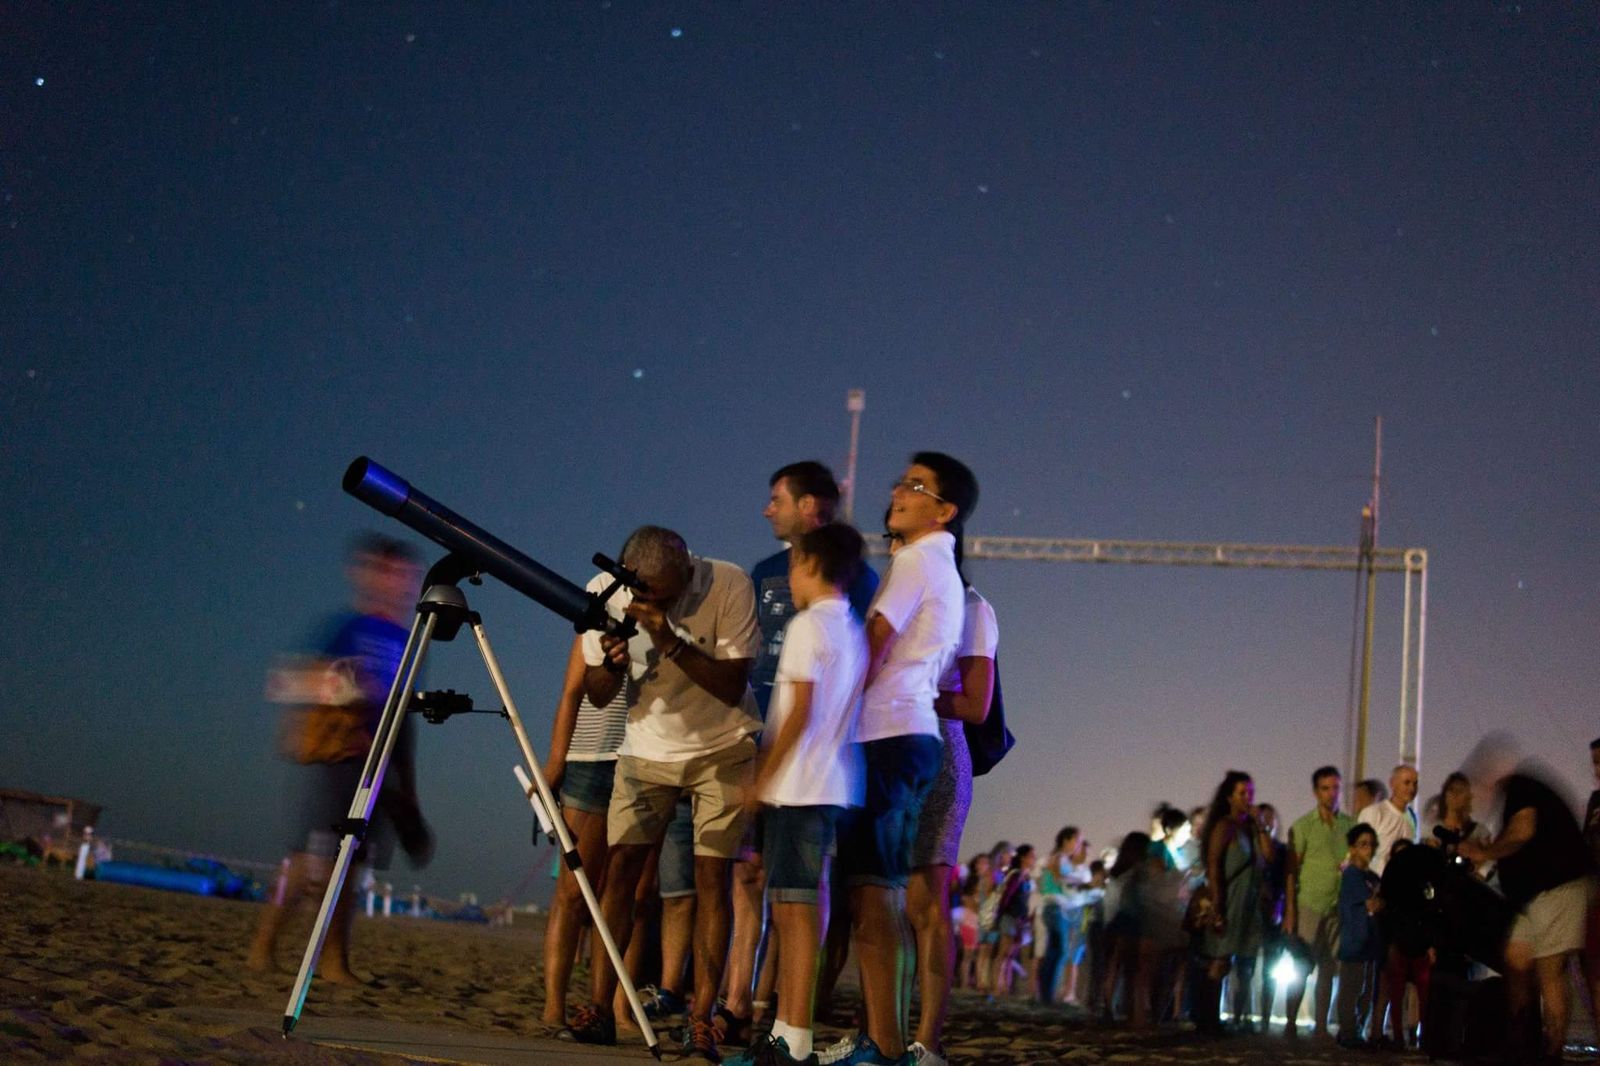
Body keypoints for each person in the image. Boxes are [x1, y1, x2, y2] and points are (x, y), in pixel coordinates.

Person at [568, 526, 761, 1063]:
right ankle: (601, 1008)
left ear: (688, 569)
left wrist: (669, 636)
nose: (659, 601)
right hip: (646, 747)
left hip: (723, 744)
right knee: (621, 873)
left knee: (710, 879)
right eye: (650, 593)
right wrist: (608, 664)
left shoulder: (728, 583)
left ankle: (702, 1020)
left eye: (671, 591)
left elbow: (732, 682)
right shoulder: (605, 591)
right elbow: (600, 696)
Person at [824, 453, 974, 1066]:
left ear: (944, 511)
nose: (899, 493)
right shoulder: (944, 571)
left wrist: (823, 727)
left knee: (870, 895)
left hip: (888, 733)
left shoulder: (916, 560)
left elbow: (871, 648)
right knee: (880, 891)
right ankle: (883, 1039)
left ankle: (882, 1044)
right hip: (913, 736)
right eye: (901, 482)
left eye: (916, 487)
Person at [736, 463, 879, 1041]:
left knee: (794, 914)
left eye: (793, 566)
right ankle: (790, 1027)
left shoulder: (806, 627)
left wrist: (760, 780)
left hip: (799, 786)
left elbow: (795, 712)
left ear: (809, 565)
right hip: (838, 784)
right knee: (805, 912)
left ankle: (790, 1033)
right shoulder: (850, 627)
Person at [249, 534, 430, 982]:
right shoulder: (346, 628)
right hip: (339, 761)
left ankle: (334, 961)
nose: (402, 586)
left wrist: (407, 786)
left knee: (352, 864)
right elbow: (288, 682)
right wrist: (346, 688)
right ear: (369, 575)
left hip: (379, 762)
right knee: (310, 862)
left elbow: (403, 716)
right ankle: (265, 948)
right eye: (391, 574)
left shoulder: (408, 641)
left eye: (406, 577)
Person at [907, 534, 995, 1065]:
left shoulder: (971, 607)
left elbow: (976, 704)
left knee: (927, 906)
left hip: (938, 753)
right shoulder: (892, 600)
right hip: (885, 751)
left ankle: (927, 1041)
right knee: (879, 904)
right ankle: (885, 1036)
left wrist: (908, 687)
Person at [1458, 733, 1596, 1061]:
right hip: (1533, 897)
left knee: (1550, 970)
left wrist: (1484, 852)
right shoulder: (1516, 794)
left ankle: (1553, 1049)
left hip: (1559, 888)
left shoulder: (1522, 787)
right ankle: (1520, 1036)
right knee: (1516, 957)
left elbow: (1523, 831)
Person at [540, 616, 634, 1027]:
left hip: (642, 759)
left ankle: (611, 1006)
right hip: (589, 758)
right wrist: (555, 763)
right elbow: (571, 692)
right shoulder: (600, 614)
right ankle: (553, 1007)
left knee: (622, 893)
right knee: (574, 892)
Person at [1283, 765, 1356, 1039]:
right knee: (1302, 965)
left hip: (1338, 906)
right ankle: (1291, 1022)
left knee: (1328, 968)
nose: (1332, 794)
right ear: (1316, 792)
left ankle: (1321, 1025)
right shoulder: (1303, 826)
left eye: (1336, 787)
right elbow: (1291, 871)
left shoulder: (1349, 826)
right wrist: (1290, 910)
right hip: (1309, 904)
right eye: (1326, 788)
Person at [1192, 771, 1267, 1036]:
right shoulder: (1225, 826)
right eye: (1242, 793)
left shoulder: (1249, 827)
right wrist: (1218, 904)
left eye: (1250, 792)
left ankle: (1219, 1017)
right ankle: (1207, 1017)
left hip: (1248, 900)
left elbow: (1266, 858)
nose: (1248, 798)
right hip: (1229, 898)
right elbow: (1213, 866)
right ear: (1229, 797)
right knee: (1219, 957)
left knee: (1235, 959)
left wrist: (1260, 826)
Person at [1335, 823, 1384, 1048]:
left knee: (1365, 991)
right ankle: (1348, 1032)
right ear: (1353, 848)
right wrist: (1374, 902)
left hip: (1370, 942)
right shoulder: (1352, 875)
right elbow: (1370, 902)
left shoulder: (1372, 877)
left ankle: (1357, 1031)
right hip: (1355, 940)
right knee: (1351, 989)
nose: (1369, 849)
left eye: (1371, 844)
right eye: (1363, 844)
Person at [1098, 831, 1151, 1023]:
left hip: (1114, 922)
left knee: (1113, 966)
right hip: (1132, 922)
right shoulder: (1139, 871)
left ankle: (1107, 1007)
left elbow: (1111, 901)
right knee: (1134, 970)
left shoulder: (1116, 872)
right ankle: (1134, 1012)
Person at [1036, 827, 1090, 1006]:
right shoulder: (1059, 858)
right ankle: (1048, 995)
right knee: (1059, 952)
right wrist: (1078, 880)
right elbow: (1062, 879)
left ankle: (1046, 995)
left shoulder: (1057, 859)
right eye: (1078, 841)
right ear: (1067, 840)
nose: (1079, 845)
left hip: (1055, 908)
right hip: (1056, 908)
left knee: (1054, 951)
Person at [1254, 803, 1289, 1032]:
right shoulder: (1247, 848)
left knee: (1270, 966)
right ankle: (1241, 1015)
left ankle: (1265, 1017)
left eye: (1270, 819)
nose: (1267, 824)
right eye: (1262, 819)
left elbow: (1285, 880)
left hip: (1272, 911)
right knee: (1243, 966)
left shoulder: (1282, 851)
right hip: (1250, 909)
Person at [1357, 764, 1419, 878]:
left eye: (1415, 784)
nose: (1412, 789)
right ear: (1392, 784)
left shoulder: (1413, 817)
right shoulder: (1374, 812)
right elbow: (1359, 852)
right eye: (1407, 783)